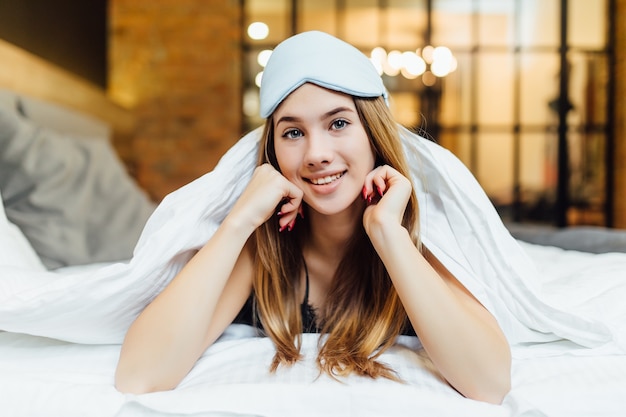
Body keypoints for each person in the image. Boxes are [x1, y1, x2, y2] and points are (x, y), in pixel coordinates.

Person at [115, 31, 511, 404]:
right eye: (292, 133)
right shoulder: (261, 250)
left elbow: (489, 384)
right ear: (272, 149)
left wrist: (388, 234)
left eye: (338, 123)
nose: (316, 153)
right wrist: (238, 222)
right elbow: (140, 376)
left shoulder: (422, 240)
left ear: (374, 135)